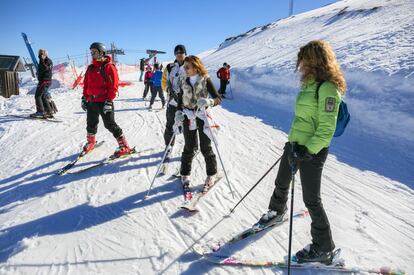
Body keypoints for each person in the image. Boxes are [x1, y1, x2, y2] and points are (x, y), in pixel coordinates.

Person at [257, 40, 346, 264]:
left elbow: (327, 129)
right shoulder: (309, 84)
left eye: (304, 60)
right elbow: (303, 118)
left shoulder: (327, 88)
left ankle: (324, 247)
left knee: (311, 199)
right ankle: (276, 212)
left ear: (315, 60)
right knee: (281, 181)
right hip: (295, 144)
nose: (301, 65)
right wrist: (295, 143)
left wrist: (307, 150)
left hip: (312, 152)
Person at [175, 55, 222, 189]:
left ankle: (211, 174)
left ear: (196, 67)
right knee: (189, 146)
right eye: (184, 67)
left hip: (202, 116)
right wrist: (179, 112)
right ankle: (185, 173)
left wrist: (210, 101)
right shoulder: (183, 80)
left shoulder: (205, 79)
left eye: (187, 67)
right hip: (188, 116)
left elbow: (218, 98)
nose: (185, 69)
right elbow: (180, 99)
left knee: (205, 147)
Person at [81, 42, 132, 157]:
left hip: (104, 101)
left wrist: (109, 100)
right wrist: (84, 97)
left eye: (95, 52)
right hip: (92, 101)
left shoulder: (108, 67)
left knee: (110, 124)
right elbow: (86, 84)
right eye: (91, 52)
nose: (92, 54)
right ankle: (91, 142)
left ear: (101, 52)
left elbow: (113, 85)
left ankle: (124, 145)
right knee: (91, 123)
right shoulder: (91, 68)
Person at [161, 44, 187, 159]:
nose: (179, 54)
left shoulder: (190, 65)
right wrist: (168, 90)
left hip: (187, 103)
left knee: (189, 126)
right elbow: (164, 81)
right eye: (177, 53)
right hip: (173, 102)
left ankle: (192, 148)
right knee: (170, 125)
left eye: (181, 52)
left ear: (185, 53)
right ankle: (169, 146)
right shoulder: (170, 67)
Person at [30, 49, 57, 118]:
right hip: (46, 81)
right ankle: (48, 111)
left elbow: (45, 68)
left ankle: (40, 112)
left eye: (41, 54)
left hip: (44, 81)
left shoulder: (46, 61)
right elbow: (43, 69)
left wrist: (41, 60)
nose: (40, 56)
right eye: (39, 54)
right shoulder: (46, 61)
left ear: (45, 54)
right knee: (43, 96)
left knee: (37, 96)